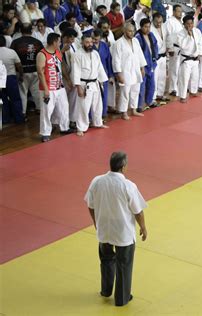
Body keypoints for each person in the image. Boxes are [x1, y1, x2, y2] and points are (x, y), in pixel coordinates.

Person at [85, 151, 148, 307]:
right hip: (123, 232)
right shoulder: (128, 185)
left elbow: (90, 204)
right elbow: (138, 210)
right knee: (124, 264)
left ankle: (106, 291)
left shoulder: (97, 181)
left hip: (104, 229)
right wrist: (143, 227)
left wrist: (95, 221)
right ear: (123, 167)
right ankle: (121, 298)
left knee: (106, 260)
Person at [36, 33, 72, 142]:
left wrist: (67, 80)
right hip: (48, 88)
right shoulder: (42, 54)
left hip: (59, 86)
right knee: (47, 111)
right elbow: (40, 72)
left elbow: (61, 67)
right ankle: (45, 133)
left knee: (64, 107)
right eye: (59, 41)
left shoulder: (58, 52)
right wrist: (46, 89)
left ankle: (64, 127)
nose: (60, 43)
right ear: (54, 42)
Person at [72, 34, 109, 136]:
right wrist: (78, 87)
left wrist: (102, 81)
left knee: (98, 105)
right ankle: (80, 127)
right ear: (82, 43)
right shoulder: (78, 54)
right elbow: (76, 71)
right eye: (87, 42)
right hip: (84, 84)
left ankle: (98, 122)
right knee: (83, 107)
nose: (90, 44)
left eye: (91, 42)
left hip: (95, 83)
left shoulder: (95, 53)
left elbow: (100, 68)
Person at [111, 22, 147, 120]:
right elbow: (116, 59)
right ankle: (124, 112)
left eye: (133, 31)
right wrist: (118, 74)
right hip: (125, 71)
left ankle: (133, 109)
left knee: (135, 90)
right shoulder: (118, 43)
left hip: (135, 69)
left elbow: (140, 54)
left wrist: (142, 67)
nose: (132, 33)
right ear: (124, 31)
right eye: (130, 31)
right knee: (125, 92)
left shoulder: (135, 41)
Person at [11, 24, 44, 114]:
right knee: (37, 91)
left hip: (22, 71)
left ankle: (23, 113)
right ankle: (39, 109)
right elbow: (43, 56)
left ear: (21, 31)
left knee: (22, 92)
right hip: (35, 70)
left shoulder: (16, 42)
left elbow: (12, 57)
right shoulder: (38, 42)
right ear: (32, 31)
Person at [176, 15, 202, 103]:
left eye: (191, 23)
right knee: (184, 78)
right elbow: (183, 46)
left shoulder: (197, 31)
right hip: (186, 60)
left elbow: (200, 43)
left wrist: (200, 54)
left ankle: (193, 91)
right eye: (188, 24)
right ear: (183, 24)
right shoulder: (180, 34)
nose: (190, 25)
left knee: (195, 76)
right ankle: (182, 96)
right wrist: (188, 36)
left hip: (195, 58)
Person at [0, 35, 25, 125]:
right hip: (11, 77)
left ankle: (5, 119)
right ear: (5, 42)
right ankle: (19, 119)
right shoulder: (11, 52)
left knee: (3, 100)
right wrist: (21, 75)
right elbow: (19, 66)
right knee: (15, 99)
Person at [135, 18, 158, 111]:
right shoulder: (137, 37)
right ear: (141, 27)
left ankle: (149, 101)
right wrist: (140, 66)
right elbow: (138, 53)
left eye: (149, 27)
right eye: (145, 27)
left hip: (151, 63)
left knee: (152, 84)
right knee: (141, 86)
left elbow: (155, 47)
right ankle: (139, 105)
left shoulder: (151, 35)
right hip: (143, 65)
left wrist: (155, 59)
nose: (148, 29)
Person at [92, 29, 114, 117]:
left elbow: (109, 60)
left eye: (96, 39)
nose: (94, 41)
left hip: (104, 72)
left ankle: (103, 113)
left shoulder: (104, 46)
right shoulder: (89, 46)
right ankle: (92, 116)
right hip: (92, 74)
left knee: (104, 94)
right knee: (94, 96)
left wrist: (111, 75)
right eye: (93, 38)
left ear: (100, 38)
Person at [165, 4, 184, 96]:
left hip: (181, 48)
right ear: (173, 12)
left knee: (179, 69)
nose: (180, 13)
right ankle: (172, 89)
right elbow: (167, 35)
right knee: (173, 69)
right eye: (178, 11)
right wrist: (170, 48)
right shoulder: (170, 22)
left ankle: (177, 87)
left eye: (181, 11)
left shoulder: (180, 22)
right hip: (174, 48)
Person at [150, 12, 169, 103]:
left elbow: (167, 38)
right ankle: (152, 97)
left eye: (160, 22)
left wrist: (169, 48)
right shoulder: (150, 29)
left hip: (163, 55)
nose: (159, 24)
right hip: (155, 57)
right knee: (154, 77)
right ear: (152, 20)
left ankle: (160, 94)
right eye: (157, 22)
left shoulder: (164, 27)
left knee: (162, 76)